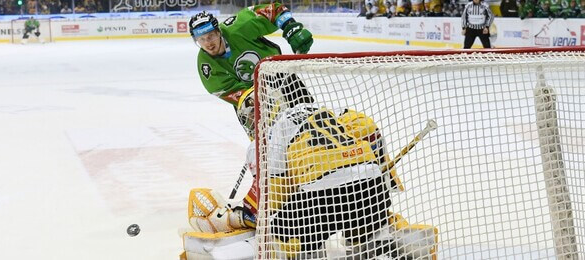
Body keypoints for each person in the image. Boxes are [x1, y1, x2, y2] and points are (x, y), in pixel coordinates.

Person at [179, 87, 438, 259]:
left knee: (279, 234)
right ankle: (396, 234)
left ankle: (300, 251)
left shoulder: (267, 138)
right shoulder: (325, 112)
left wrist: (232, 217)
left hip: (323, 199)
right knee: (361, 235)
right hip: (372, 192)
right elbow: (367, 129)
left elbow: (269, 203)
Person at [189, 4, 313, 116]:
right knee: (269, 138)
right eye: (202, 39)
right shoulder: (206, 66)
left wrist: (291, 28)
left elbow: (274, 10)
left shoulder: (239, 27)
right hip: (249, 98)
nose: (208, 43)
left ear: (219, 32)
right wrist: (254, 99)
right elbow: (226, 90)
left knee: (312, 120)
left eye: (211, 36)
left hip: (279, 76)